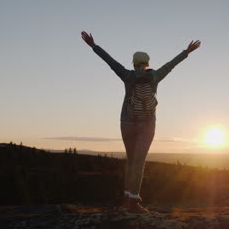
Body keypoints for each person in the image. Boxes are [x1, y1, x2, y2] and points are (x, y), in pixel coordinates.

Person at [81, 31, 201, 213]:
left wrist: (93, 45)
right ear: (147, 64)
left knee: (131, 162)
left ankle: (127, 197)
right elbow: (171, 65)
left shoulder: (127, 75)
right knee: (139, 162)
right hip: (148, 124)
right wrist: (187, 51)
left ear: (134, 63)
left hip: (127, 122)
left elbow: (110, 62)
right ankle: (134, 202)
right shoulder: (155, 76)